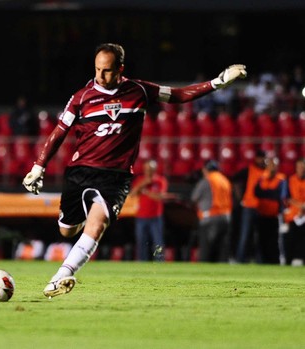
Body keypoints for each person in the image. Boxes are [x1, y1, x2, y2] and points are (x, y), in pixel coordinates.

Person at [22, 42, 246, 297]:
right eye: (97, 70)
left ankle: (61, 277)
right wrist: (38, 166)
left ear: (120, 69)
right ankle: (81, 222)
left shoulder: (139, 90)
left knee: (97, 224)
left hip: (116, 176)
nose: (100, 76)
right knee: (67, 230)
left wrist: (218, 82)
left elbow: (179, 95)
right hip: (80, 171)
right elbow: (59, 132)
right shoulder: (81, 97)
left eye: (106, 70)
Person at [129, 159, 175, 261]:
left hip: (156, 217)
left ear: (154, 170)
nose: (148, 171)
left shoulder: (160, 180)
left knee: (158, 242)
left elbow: (159, 197)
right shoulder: (140, 180)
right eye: (146, 169)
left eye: (150, 169)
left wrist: (145, 192)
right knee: (141, 242)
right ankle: (142, 262)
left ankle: (159, 262)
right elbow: (132, 194)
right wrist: (143, 184)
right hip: (141, 216)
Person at [190, 160, 233, 262]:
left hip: (210, 218)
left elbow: (194, 198)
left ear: (205, 169)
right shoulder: (225, 180)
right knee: (222, 251)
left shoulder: (207, 180)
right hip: (226, 218)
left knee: (206, 252)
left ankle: (205, 275)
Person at [233, 150, 268, 263]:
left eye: (263, 157)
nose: (261, 160)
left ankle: (260, 260)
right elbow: (235, 179)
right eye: (260, 157)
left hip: (263, 208)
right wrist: (240, 198)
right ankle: (240, 258)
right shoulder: (249, 170)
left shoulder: (267, 171)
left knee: (261, 236)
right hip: (248, 206)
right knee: (245, 234)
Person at [254, 156, 287, 264]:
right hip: (262, 213)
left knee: (274, 241)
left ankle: (275, 262)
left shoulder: (281, 179)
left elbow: (278, 195)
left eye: (273, 164)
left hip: (274, 215)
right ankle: (262, 262)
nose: (271, 167)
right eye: (270, 164)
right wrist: (268, 193)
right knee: (262, 240)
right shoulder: (261, 178)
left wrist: (266, 193)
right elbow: (257, 193)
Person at [283, 158, 305, 266]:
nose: (301, 170)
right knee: (290, 241)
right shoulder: (290, 180)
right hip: (293, 216)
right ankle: (287, 262)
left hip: (304, 216)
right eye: (299, 167)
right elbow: (287, 198)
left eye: (303, 167)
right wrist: (301, 206)